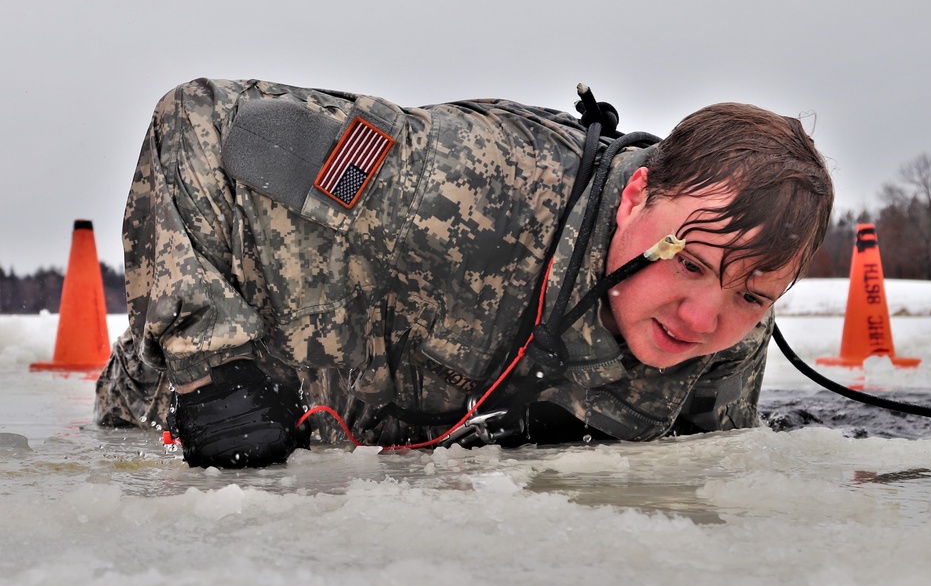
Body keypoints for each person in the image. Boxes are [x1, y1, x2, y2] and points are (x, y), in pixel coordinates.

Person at [94, 78, 834, 469]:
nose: (705, 320)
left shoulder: (734, 326)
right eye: (689, 262)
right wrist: (213, 366)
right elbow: (199, 120)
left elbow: (703, 462)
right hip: (176, 424)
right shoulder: (460, 179)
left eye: (750, 295)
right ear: (639, 196)